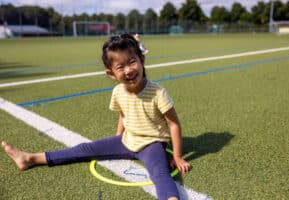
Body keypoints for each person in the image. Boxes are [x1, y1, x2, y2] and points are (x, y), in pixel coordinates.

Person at [1, 34, 191, 200]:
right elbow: (123, 115)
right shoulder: (118, 92)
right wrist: (118, 138)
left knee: (160, 173)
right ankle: (30, 158)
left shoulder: (158, 92)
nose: (128, 70)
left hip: (152, 144)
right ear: (111, 74)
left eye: (132, 61)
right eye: (120, 66)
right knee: (85, 148)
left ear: (142, 60)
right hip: (127, 140)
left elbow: (173, 124)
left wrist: (177, 156)